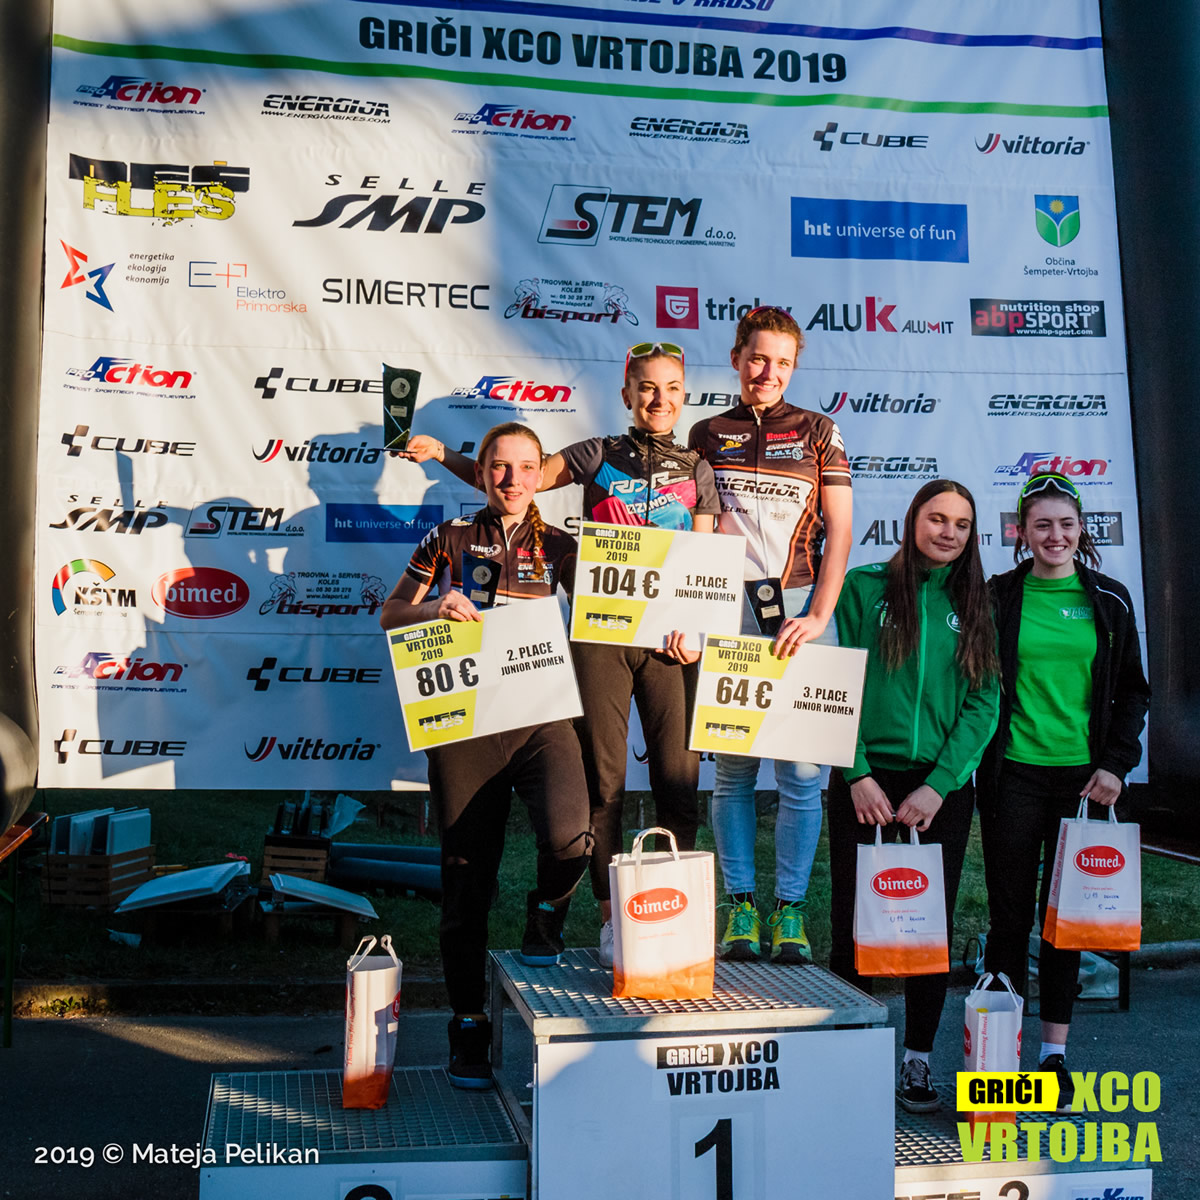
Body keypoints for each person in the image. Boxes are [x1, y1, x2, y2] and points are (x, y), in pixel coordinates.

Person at [404, 344, 719, 967]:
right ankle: (613, 922)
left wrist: (695, 627)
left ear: (685, 396)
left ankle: (675, 921)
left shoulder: (699, 469)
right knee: (604, 784)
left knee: (679, 787)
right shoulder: (596, 452)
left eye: (671, 388)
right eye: (646, 387)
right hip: (601, 639)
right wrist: (442, 455)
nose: (659, 399)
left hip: (669, 644)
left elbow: (703, 560)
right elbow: (512, 482)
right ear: (627, 394)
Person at [379, 422, 592, 1090]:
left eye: (526, 467)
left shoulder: (560, 544)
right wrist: (433, 610)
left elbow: (615, 609)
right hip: (466, 719)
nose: (512, 479)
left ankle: (546, 913)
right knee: (466, 880)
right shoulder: (447, 538)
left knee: (571, 838)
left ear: (541, 474)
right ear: (482, 472)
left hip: (538, 714)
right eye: (499, 466)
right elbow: (390, 613)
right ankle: (468, 1024)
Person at [978, 471, 1149, 1109]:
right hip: (1013, 776)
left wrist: (1116, 765)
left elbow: (1132, 692)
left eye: (1066, 524)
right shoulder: (998, 596)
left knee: (1065, 923)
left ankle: (1053, 1055)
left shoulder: (1109, 599)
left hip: (1084, 786)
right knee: (1009, 918)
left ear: (1081, 530)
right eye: (1042, 524)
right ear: (1022, 532)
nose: (1055, 535)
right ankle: (999, 1058)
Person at [828, 480, 999, 1112]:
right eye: (937, 518)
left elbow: (983, 702)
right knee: (853, 920)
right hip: (866, 781)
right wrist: (857, 774)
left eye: (961, 524)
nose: (948, 532)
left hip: (937, 789)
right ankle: (849, 1054)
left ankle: (917, 1061)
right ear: (912, 520)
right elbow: (833, 685)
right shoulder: (864, 586)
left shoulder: (975, 600)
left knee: (927, 928)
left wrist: (939, 785)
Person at [688, 306, 852, 963]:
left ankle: (790, 912)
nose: (769, 372)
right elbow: (692, 527)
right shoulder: (706, 433)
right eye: (758, 358)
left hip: (801, 608)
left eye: (783, 362)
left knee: (802, 776)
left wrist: (819, 614)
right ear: (736, 358)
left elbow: (841, 530)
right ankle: (741, 909)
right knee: (733, 772)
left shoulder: (818, 430)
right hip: (729, 610)